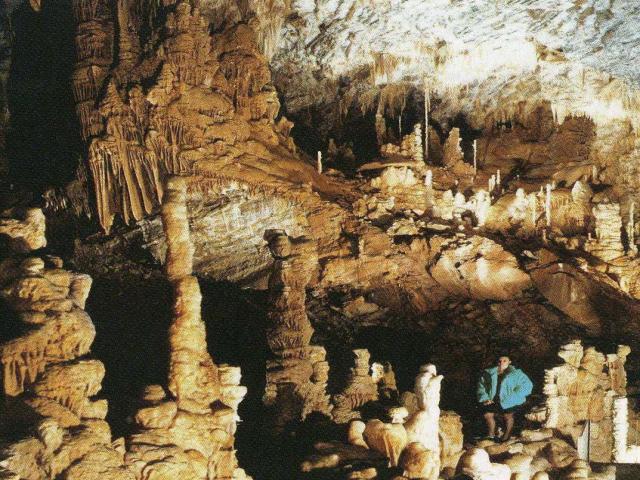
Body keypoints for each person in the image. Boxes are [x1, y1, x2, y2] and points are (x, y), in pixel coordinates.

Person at [476, 355, 532, 442]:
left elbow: (527, 386)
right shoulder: (489, 373)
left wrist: (513, 397)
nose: (501, 362)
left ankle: (506, 437)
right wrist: (485, 398)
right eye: (500, 361)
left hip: (509, 400)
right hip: (493, 399)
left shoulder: (516, 374)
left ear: (509, 362)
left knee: (508, 416)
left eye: (504, 360)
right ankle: (491, 436)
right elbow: (481, 386)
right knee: (488, 415)